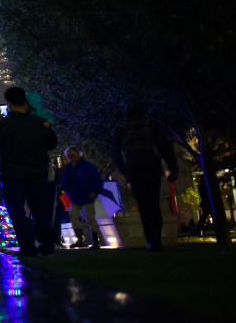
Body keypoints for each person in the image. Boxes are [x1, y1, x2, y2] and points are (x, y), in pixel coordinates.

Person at [0, 86, 58, 256]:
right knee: (40, 209)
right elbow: (51, 144)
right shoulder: (38, 123)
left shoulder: (2, 125)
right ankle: (46, 242)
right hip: (36, 172)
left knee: (16, 211)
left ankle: (27, 245)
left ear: (9, 103)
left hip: (12, 174)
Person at [111, 103, 178, 252]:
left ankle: (151, 240)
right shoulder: (151, 124)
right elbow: (164, 146)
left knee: (143, 206)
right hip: (152, 168)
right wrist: (173, 167)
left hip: (134, 171)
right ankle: (156, 239)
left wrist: (126, 172)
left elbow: (116, 155)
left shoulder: (120, 128)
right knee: (154, 203)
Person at [60, 147, 104, 249]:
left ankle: (94, 241)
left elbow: (96, 179)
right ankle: (80, 239)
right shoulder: (69, 168)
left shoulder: (86, 167)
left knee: (90, 217)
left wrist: (95, 190)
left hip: (86, 195)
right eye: (68, 157)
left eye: (72, 156)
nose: (70, 159)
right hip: (76, 196)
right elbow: (66, 182)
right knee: (74, 216)